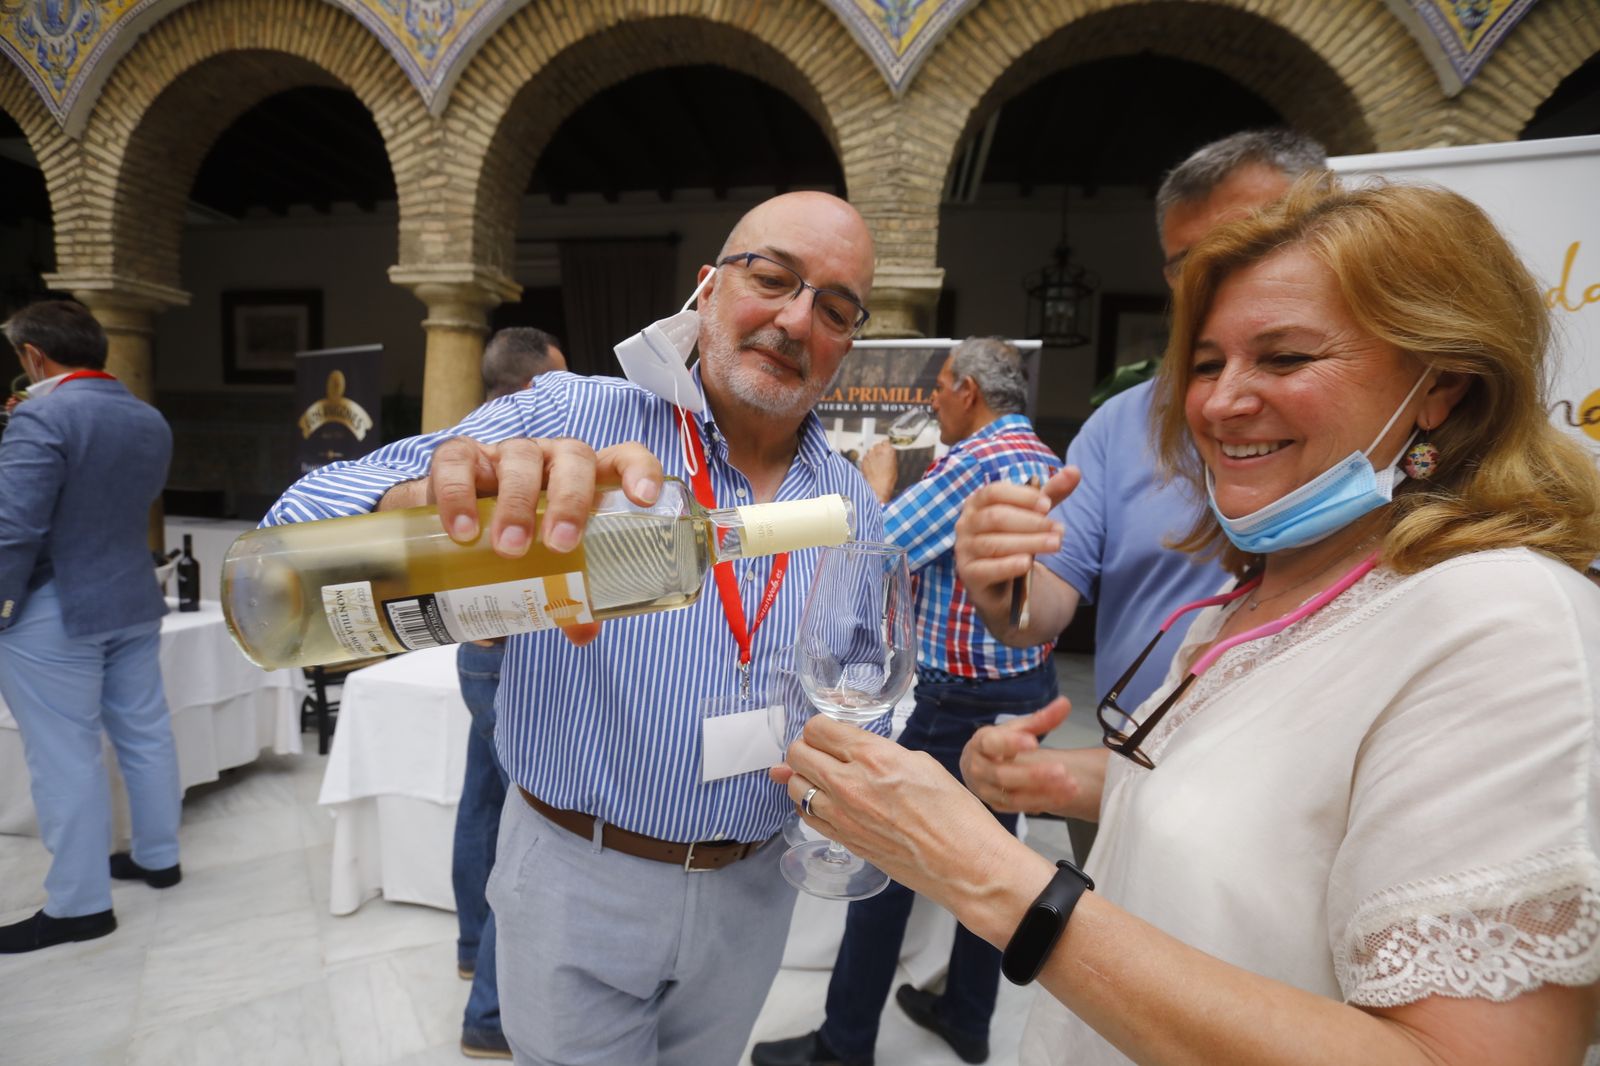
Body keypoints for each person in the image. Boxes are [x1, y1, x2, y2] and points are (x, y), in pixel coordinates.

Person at [777, 177, 1600, 1065]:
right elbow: (1280, 817)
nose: (1218, 402)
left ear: (1440, 387)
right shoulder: (1257, 596)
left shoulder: (1508, 627)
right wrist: (1062, 783)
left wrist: (987, 876)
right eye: (1206, 365)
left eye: (1284, 359)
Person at [265, 191, 884, 1065]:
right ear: (707, 289)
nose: (793, 319)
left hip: (752, 890)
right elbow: (289, 533)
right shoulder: (568, 418)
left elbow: (867, 675)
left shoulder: (852, 501)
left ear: (848, 342)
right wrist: (416, 516)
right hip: (576, 875)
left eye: (833, 308)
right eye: (773, 278)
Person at [754, 337, 1059, 1066]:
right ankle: (968, 1014)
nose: (932, 399)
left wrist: (878, 484)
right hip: (1026, 690)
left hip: (960, 702)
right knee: (995, 860)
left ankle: (844, 1042)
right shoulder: (1043, 457)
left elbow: (875, 548)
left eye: (942, 385)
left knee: (885, 852)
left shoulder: (975, 464)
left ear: (970, 393)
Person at [971, 130, 1328, 727]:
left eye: (1254, 245)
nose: (1218, 280)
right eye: (1192, 264)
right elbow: (1041, 601)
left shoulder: (1388, 423)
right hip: (1122, 766)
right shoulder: (1120, 422)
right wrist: (1006, 584)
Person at [0, 300, 181, 954]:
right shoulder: (146, 415)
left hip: (56, 603)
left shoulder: (44, 414)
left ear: (34, 357)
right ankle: (159, 858)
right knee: (145, 730)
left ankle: (79, 907)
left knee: (62, 753)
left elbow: (14, 528)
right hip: (132, 589)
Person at [452, 326, 566, 1061]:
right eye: (559, 384)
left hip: (476, 648)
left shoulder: (460, 440)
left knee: (483, 801)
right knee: (525, 830)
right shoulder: (519, 450)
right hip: (515, 652)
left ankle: (469, 943)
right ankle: (490, 1015)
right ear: (530, 388)